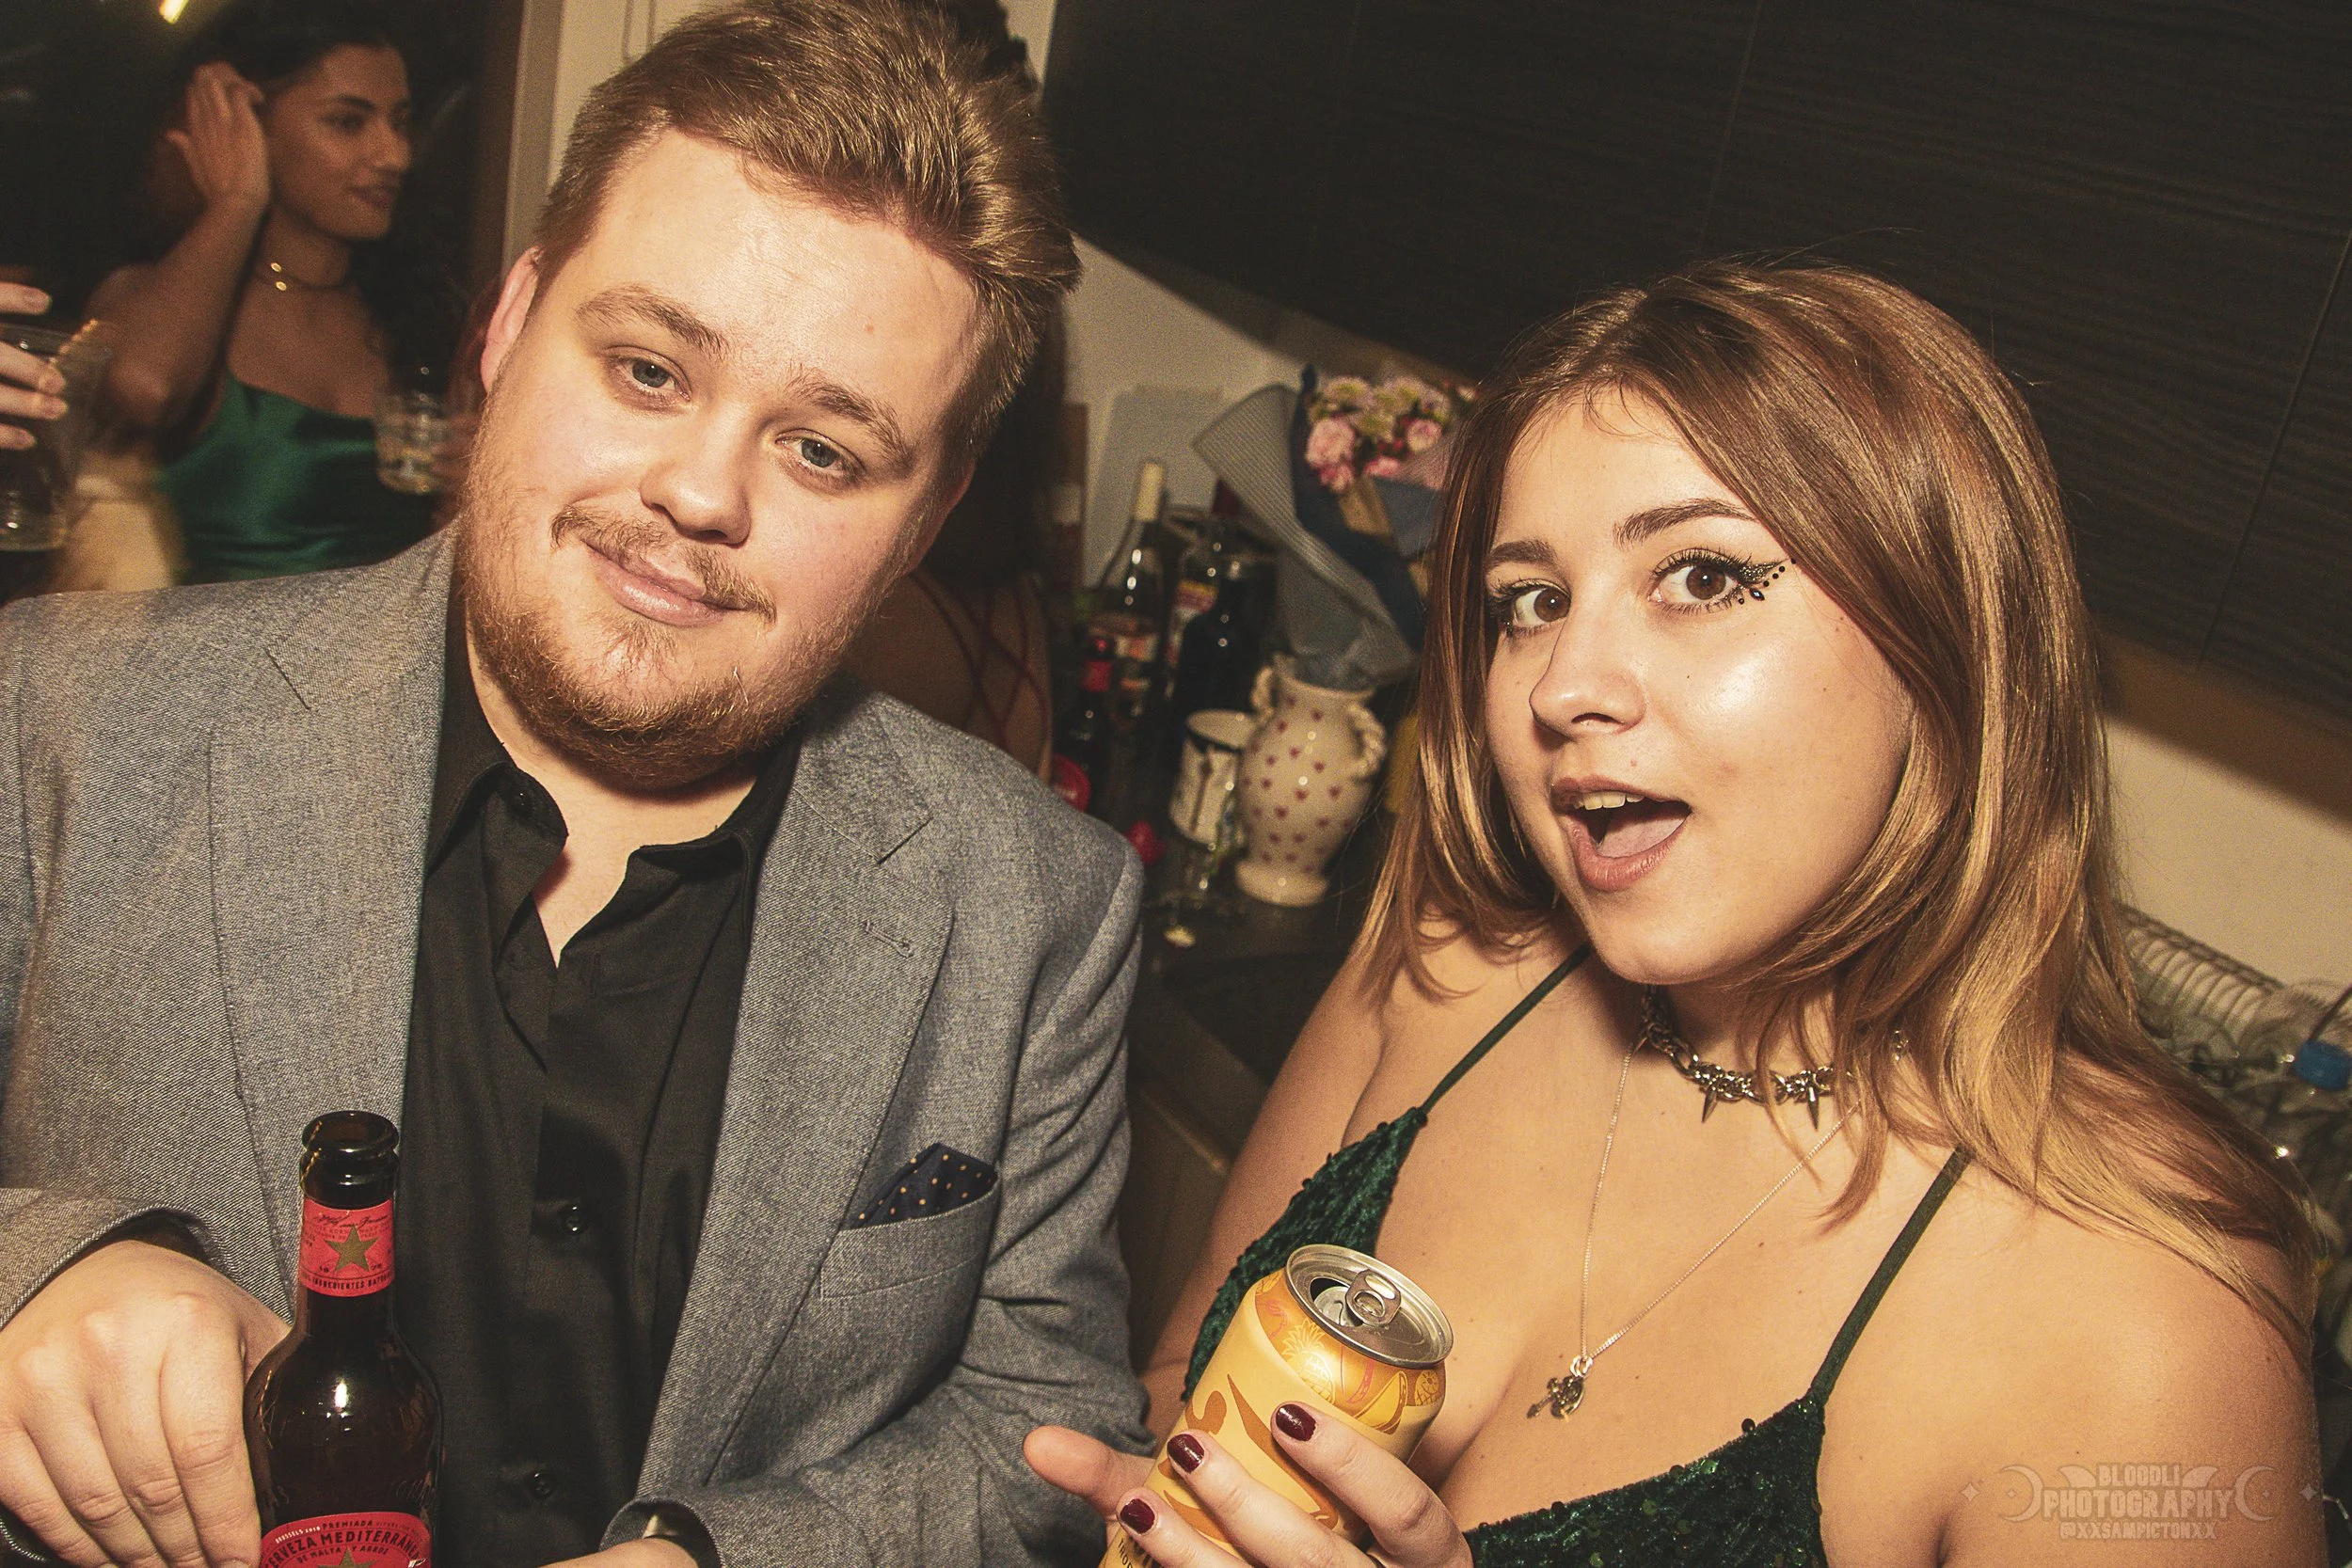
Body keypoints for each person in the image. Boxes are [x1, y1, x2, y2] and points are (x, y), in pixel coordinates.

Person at [0, 6, 1145, 1568]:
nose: (698, 491)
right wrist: (35, 1271)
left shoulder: (1036, 902)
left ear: (928, 512)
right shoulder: (55, 719)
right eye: (649, 365)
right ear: (509, 319)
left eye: (822, 450)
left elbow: (1047, 1427)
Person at [1029, 262, 2326, 1566]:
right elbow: (1175, 1393)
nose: (1563, 684)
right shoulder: (1447, 962)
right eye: (1529, 602)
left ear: (1946, 639)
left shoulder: (2152, 1327)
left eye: (1701, 575)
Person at [88, 1, 443, 582]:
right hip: (208, 668)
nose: (395, 155)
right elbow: (145, 388)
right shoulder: (155, 298)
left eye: (400, 122)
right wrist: (238, 200)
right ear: (248, 130)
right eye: (348, 122)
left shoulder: (416, 312)